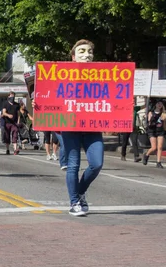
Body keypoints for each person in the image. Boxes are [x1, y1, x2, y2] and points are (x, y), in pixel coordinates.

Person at [58, 39, 104, 217]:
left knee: (97, 163)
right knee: (73, 166)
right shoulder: (62, 76)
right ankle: (74, 202)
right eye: (82, 51)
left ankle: (80, 191)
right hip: (70, 127)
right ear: (73, 57)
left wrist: (123, 104)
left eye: (90, 52)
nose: (87, 55)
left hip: (93, 127)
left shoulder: (103, 76)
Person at [143, 100, 166, 168]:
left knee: (160, 147)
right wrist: (151, 118)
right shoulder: (151, 113)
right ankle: (146, 155)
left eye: (161, 103)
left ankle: (158, 162)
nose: (159, 104)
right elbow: (149, 123)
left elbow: (164, 124)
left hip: (160, 131)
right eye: (158, 103)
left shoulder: (164, 114)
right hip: (152, 131)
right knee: (154, 147)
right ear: (155, 104)